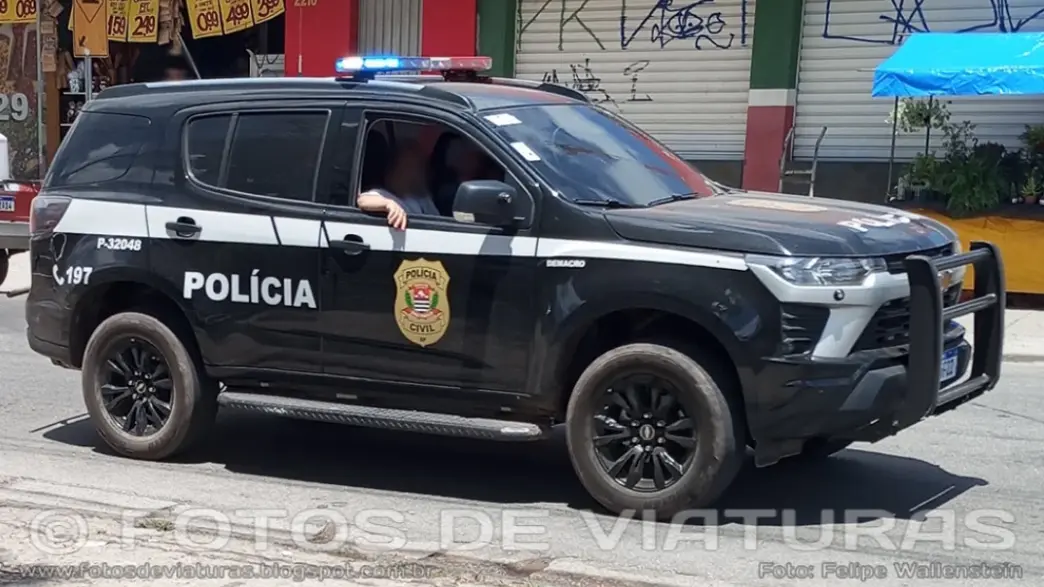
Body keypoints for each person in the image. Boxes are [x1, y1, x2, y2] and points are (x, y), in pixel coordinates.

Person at [358, 140, 440, 230]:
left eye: (420, 166)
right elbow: (362, 200)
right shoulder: (386, 195)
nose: (419, 171)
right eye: (411, 166)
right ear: (397, 168)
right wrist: (388, 204)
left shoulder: (422, 198)